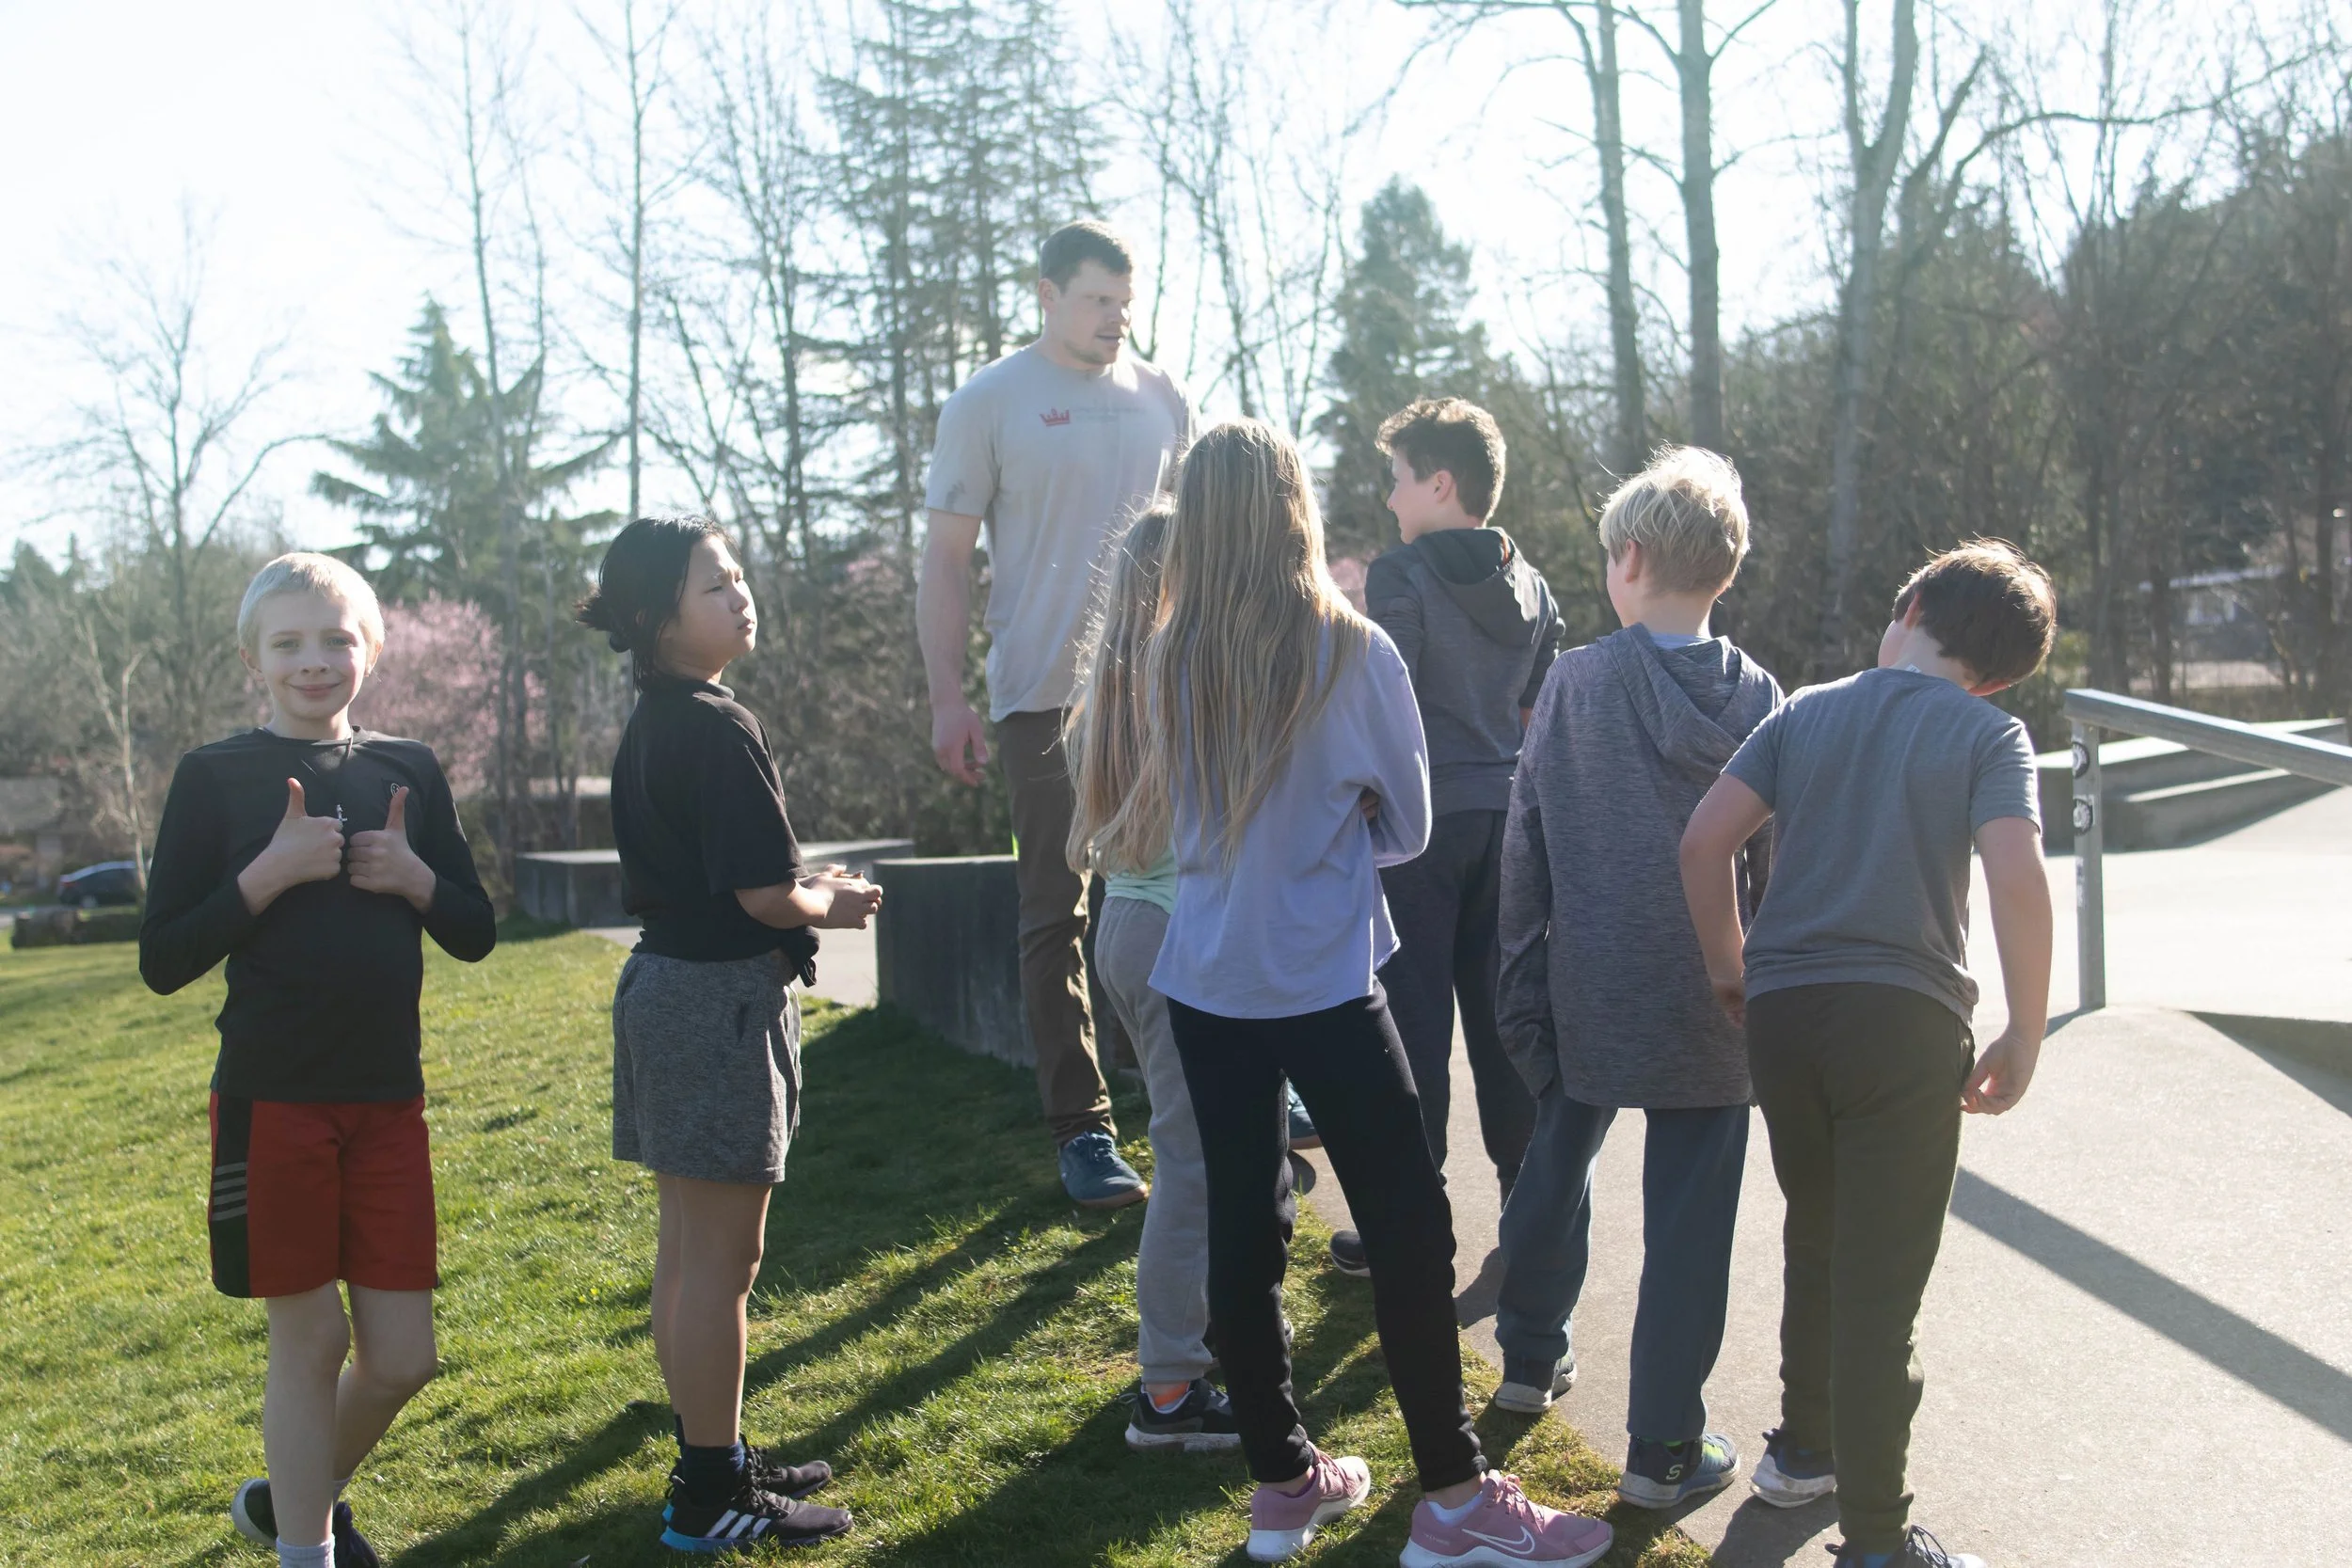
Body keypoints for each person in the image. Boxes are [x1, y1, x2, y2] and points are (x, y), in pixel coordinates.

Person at [1132, 420, 1613, 1568]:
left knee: (1243, 1229)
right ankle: (1452, 1495)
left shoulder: (1167, 653)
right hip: (1321, 974)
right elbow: (1408, 823)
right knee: (1408, 1225)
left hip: (1207, 976)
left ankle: (1281, 1483)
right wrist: (1336, 818)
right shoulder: (1349, 648)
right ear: (1292, 506)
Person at [1681, 540, 2058, 1568]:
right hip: (1902, 1020)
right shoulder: (1989, 732)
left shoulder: (1806, 709)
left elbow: (1704, 840)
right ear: (1996, 676)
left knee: (1819, 1232)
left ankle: (1803, 1450)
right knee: (1882, 1283)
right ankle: (1880, 1542)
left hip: (1786, 1011)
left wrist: (1730, 969)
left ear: (1913, 607)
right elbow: (2017, 877)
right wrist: (2024, 1030)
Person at [139, 552, 497, 1568]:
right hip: (273, 1104)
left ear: (370, 650)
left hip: (388, 1103)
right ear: (251, 658)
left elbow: (475, 930)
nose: (314, 660)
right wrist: (268, 874)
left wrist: (417, 879)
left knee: (404, 1357)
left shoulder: (409, 768)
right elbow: (162, 958)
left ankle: (285, 1498)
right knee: (312, 1340)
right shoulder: (213, 776)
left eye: (337, 638)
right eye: (288, 641)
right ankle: (308, 1549)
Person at [579, 515, 882, 1554]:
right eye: (714, 585)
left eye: (739, 576)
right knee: (722, 1263)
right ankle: (710, 1489)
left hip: (668, 989)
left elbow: (733, 879)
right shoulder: (718, 724)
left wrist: (803, 885)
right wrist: (833, 903)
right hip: (716, 1005)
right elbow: (762, 896)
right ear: (654, 616)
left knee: (687, 1254)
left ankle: (715, 1454)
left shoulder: (657, 719)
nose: (740, 595)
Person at [1487, 449, 1782, 1513]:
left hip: (1589, 979)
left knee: (1552, 1169)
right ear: (1725, 571)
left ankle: (1529, 1355)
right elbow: (1773, 859)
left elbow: (1526, 841)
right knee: (1691, 1222)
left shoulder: (1577, 681)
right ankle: (1661, 1445)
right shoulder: (1759, 694)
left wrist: (1518, 974)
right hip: (1716, 990)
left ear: (1632, 558)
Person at [917, 219, 1196, 1209]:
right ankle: (1082, 1130)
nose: (1116, 319)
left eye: (1125, 301)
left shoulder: (1163, 397)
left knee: (1200, 886)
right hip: (1042, 696)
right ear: (1046, 294)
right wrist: (949, 696)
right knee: (1056, 911)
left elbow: (1200, 545)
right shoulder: (988, 402)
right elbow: (944, 561)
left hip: (1161, 691)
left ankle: (1237, 1084)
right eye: (1095, 301)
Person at [1328, 396, 1561, 1279]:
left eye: (1397, 480)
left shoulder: (1401, 574)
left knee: (1411, 1028)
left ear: (1440, 483)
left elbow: (1387, 693)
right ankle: (1529, 1218)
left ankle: (1411, 1228)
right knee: (1505, 1024)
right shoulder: (1532, 583)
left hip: (1419, 832)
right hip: (1509, 825)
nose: (1390, 498)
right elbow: (1537, 713)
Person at [1061, 499, 1247, 1456]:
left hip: (1129, 927)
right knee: (1193, 1162)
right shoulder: (1184, 686)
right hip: (1180, 937)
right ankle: (1170, 1386)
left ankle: (1205, 1342)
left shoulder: (1106, 690)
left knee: (1197, 1150)